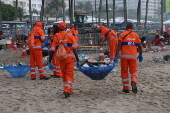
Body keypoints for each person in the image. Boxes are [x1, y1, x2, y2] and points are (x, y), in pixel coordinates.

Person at [49, 22, 79, 98]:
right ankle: (67, 89)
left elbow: (52, 49)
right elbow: (75, 48)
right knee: (69, 73)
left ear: (58, 28)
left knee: (64, 73)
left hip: (61, 58)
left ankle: (68, 89)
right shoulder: (70, 35)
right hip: (70, 58)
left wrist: (49, 60)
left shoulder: (56, 36)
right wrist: (77, 58)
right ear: (65, 28)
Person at [115, 22, 143, 94]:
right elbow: (140, 46)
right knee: (133, 71)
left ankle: (126, 88)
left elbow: (119, 46)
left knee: (124, 72)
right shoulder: (136, 36)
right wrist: (140, 54)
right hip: (133, 57)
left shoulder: (122, 35)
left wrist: (115, 55)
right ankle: (133, 80)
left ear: (126, 27)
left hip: (124, 56)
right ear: (132, 28)